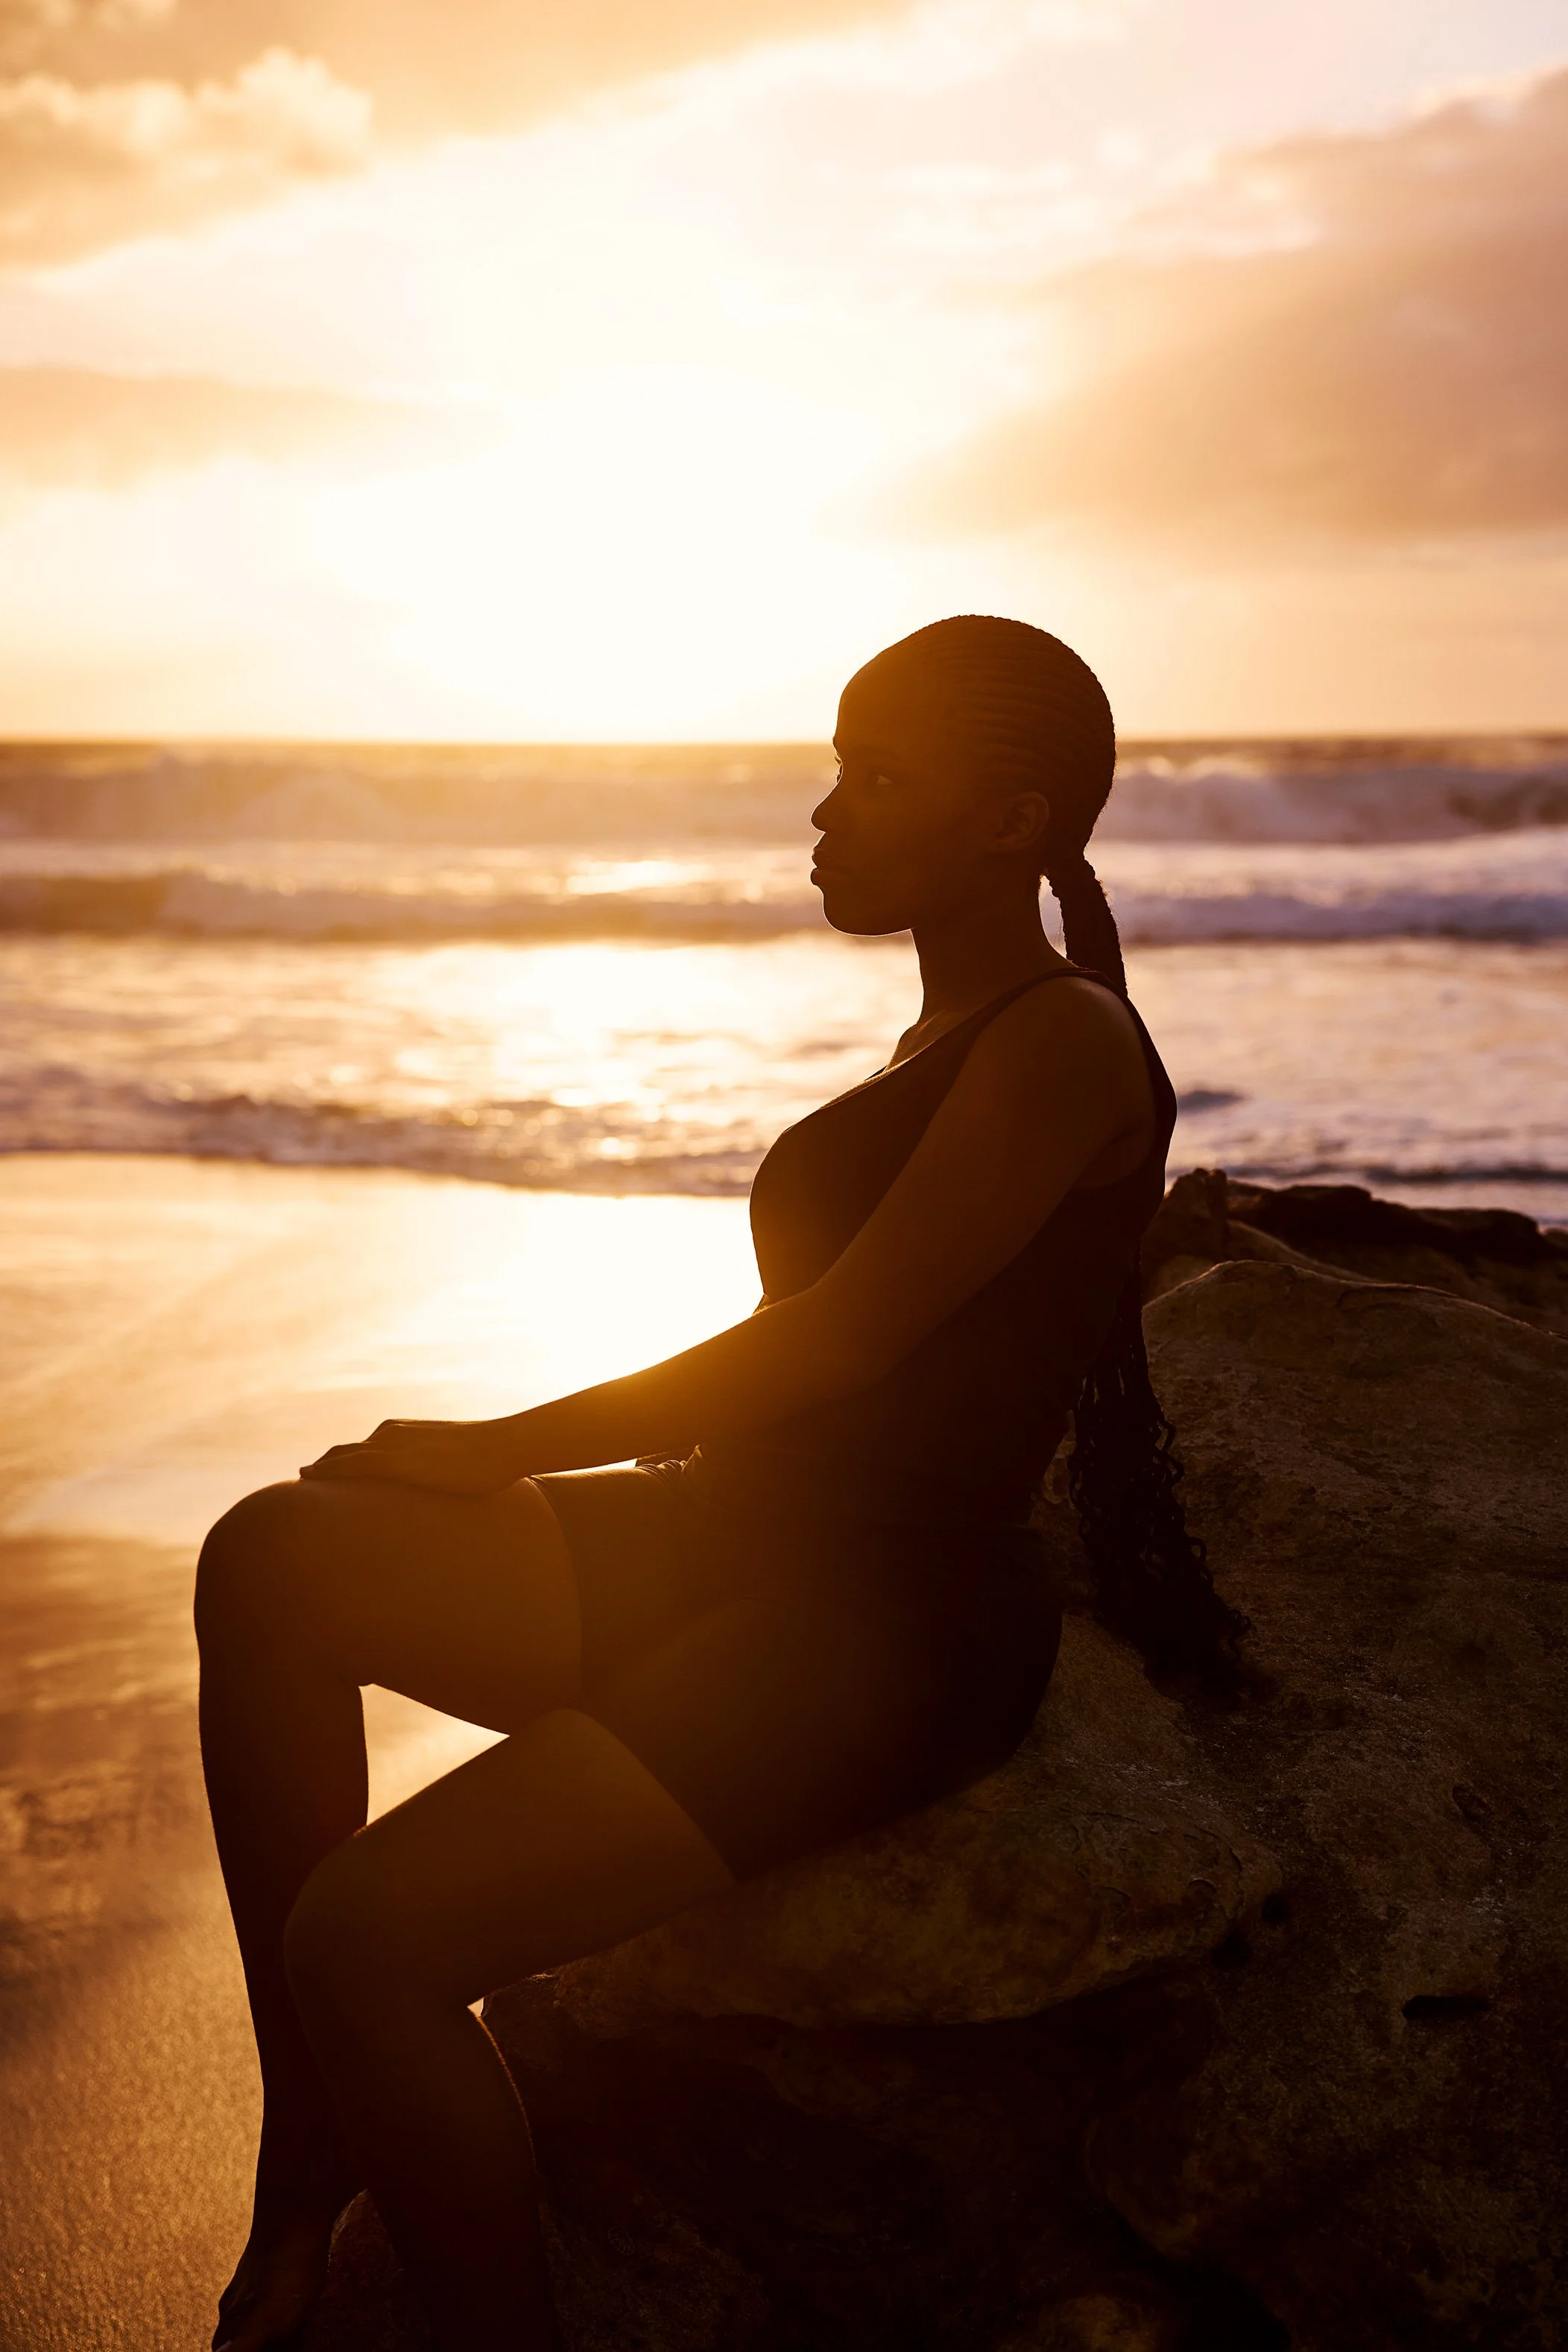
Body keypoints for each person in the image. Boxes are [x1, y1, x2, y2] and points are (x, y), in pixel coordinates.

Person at [195, 614, 1248, 2352]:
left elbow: (831, 1346)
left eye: (880, 772)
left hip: (877, 1621)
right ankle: (306, 2169)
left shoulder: (1058, 1042)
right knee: (273, 1556)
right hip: (729, 1538)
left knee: (368, 1936)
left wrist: (500, 1440)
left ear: (1010, 822)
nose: (826, 810)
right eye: (836, 764)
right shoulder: (941, 1034)